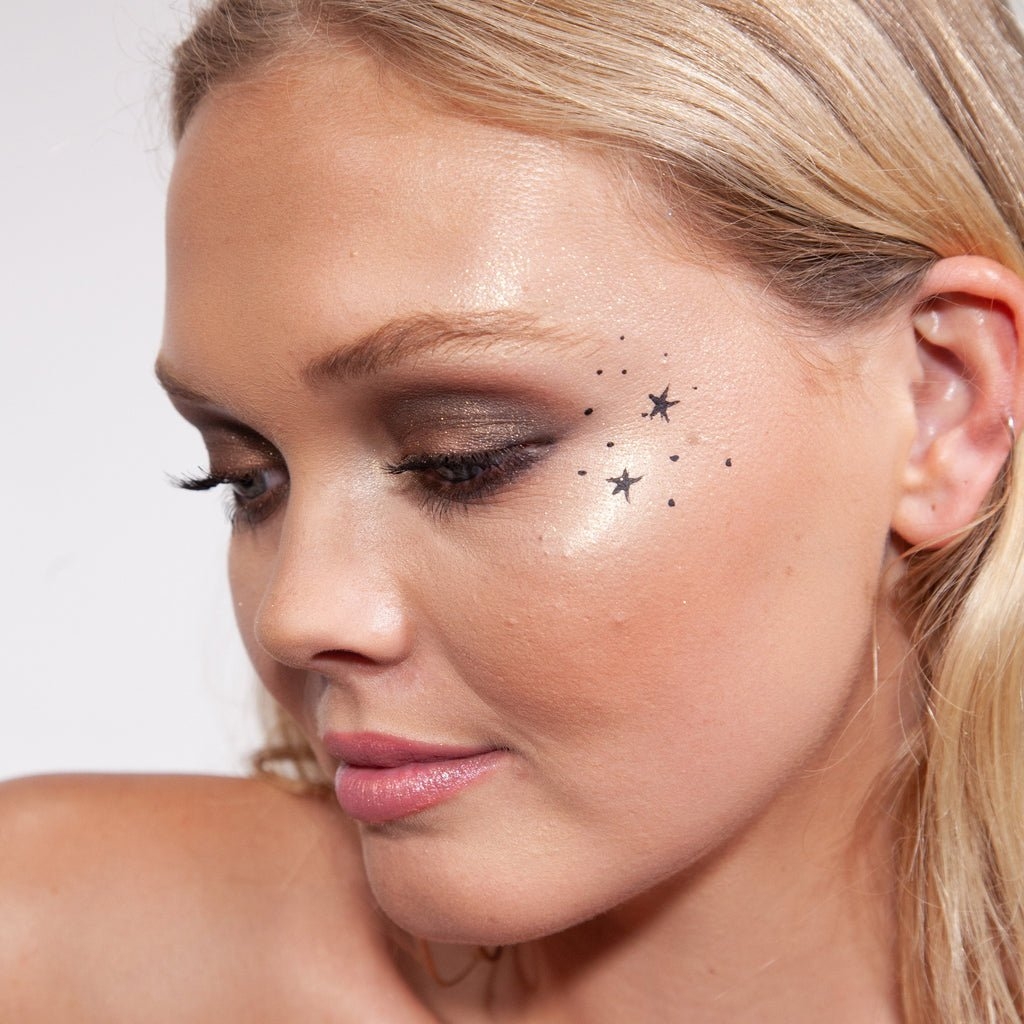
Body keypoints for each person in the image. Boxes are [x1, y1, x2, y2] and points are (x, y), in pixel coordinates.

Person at [3, 1, 1024, 1020]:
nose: (297, 614)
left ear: (943, 401)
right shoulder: (50, 948)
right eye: (246, 476)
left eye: (465, 458)